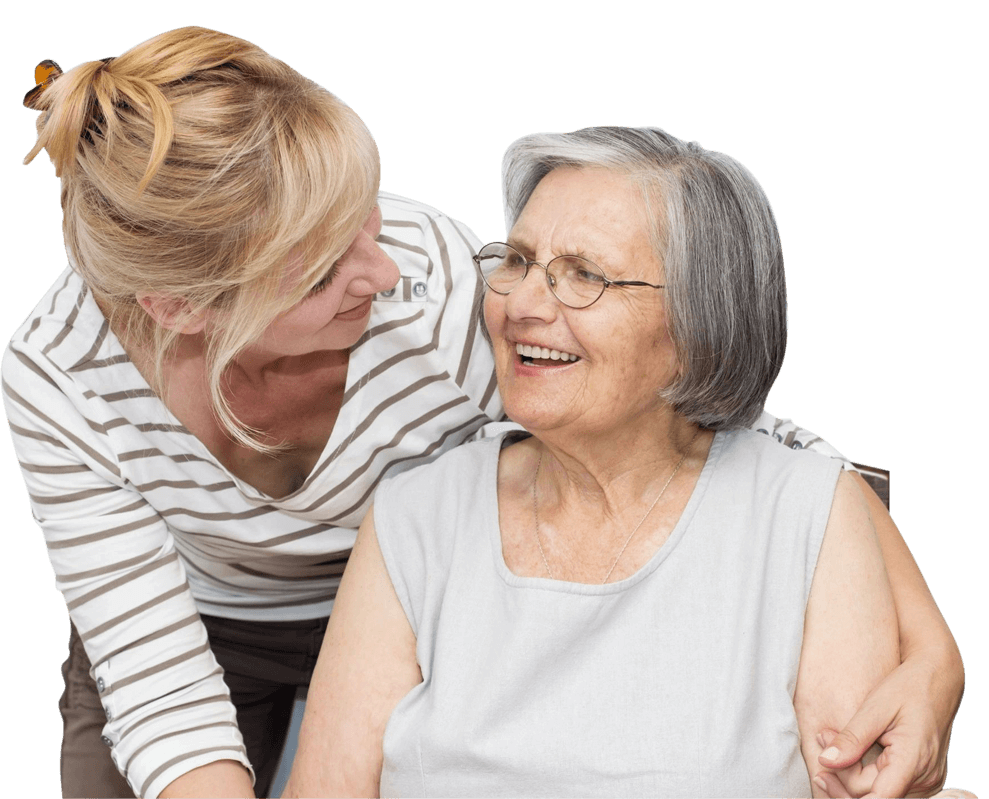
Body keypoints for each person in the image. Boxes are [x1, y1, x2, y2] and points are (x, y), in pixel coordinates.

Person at [3, 29, 960, 799]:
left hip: (405, 597)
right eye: (326, 268)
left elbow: (711, 399)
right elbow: (159, 686)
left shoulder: (433, 292)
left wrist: (935, 652)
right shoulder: (59, 377)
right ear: (189, 311)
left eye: (367, 217)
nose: (382, 271)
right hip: (202, 611)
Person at [281, 128, 967, 798]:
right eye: (516, 261)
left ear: (699, 325)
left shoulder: (806, 511)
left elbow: (854, 786)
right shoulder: (415, 515)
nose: (521, 304)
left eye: (584, 275)